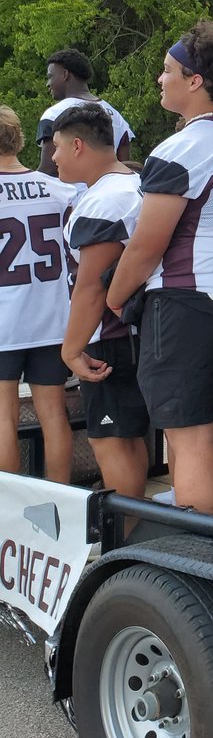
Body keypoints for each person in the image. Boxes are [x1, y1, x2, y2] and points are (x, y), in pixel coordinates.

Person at [107, 21, 213, 519]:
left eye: (169, 70)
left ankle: (200, 567)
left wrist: (114, 298)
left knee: (188, 440)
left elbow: (146, 245)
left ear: (195, 80)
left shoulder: (181, 147)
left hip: (187, 300)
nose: (160, 78)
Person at [53, 104, 148, 500]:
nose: (53, 157)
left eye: (57, 147)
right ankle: (138, 532)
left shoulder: (106, 199)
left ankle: (124, 541)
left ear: (78, 146)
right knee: (130, 436)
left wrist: (71, 349)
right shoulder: (137, 183)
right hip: (137, 330)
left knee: (110, 441)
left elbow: (91, 285)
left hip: (110, 335)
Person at [0, 106, 75, 483]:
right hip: (52, 317)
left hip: (4, 322)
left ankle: (8, 517)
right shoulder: (59, 189)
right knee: (54, 415)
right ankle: (58, 508)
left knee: (3, 417)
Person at [37, 49, 133, 177]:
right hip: (108, 193)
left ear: (65, 74)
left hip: (71, 196)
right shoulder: (117, 116)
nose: (47, 84)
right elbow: (124, 167)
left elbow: (48, 171)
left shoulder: (55, 113)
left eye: (50, 77)